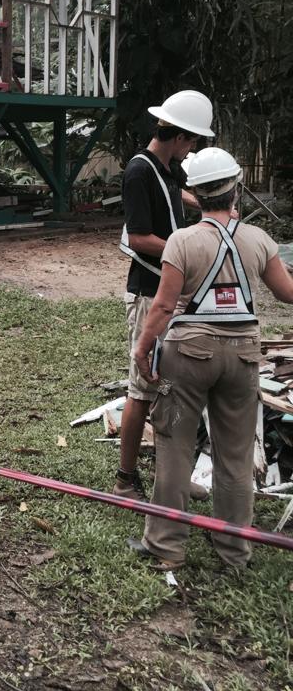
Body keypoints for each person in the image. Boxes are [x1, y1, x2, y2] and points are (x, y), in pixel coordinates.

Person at [130, 147, 293, 570]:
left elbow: (164, 308)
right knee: (236, 454)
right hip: (242, 358)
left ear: (196, 195)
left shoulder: (183, 241)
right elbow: (286, 292)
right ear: (236, 189)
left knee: (174, 445)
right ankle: (234, 552)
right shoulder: (258, 240)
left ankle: (166, 546)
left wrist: (142, 347)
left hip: (188, 358)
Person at [115, 90, 214, 501]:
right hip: (148, 294)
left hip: (170, 291)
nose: (191, 149)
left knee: (172, 388)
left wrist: (209, 205)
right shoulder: (139, 172)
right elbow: (138, 237)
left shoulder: (166, 168)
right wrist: (187, 244)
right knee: (143, 387)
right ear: (183, 137)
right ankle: (125, 479)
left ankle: (170, 479)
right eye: (193, 142)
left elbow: (177, 196)